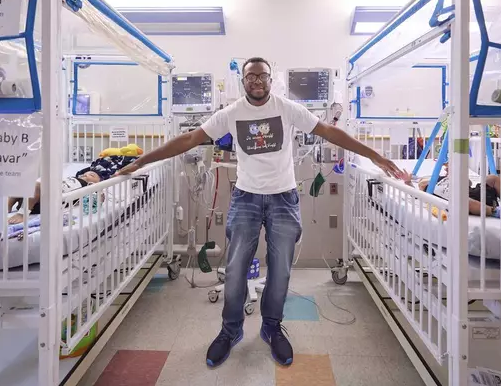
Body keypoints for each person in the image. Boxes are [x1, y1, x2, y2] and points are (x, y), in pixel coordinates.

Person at [115, 57, 401, 368]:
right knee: (236, 269)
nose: (257, 81)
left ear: (270, 79)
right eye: (251, 76)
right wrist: (142, 162)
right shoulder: (232, 113)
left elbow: (330, 132)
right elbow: (188, 139)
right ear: (243, 81)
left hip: (283, 200)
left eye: (262, 76)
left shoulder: (287, 108)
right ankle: (230, 330)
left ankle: (271, 327)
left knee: (281, 271)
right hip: (246, 199)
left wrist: (376, 156)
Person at [398, 166, 501, 217]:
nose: (422, 184)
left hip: (474, 191)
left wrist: (455, 174)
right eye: (422, 184)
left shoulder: (443, 179)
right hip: (469, 202)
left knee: (493, 178)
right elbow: (415, 194)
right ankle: (498, 212)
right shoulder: (430, 195)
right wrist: (408, 182)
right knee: (465, 202)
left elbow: (468, 182)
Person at [7, 170, 102, 224]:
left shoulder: (88, 188)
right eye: (88, 172)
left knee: (35, 186)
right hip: (32, 196)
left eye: (93, 175)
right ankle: (9, 205)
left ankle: (22, 214)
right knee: (25, 182)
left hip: (46, 202)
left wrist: (99, 191)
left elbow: (99, 198)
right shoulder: (71, 178)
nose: (89, 173)